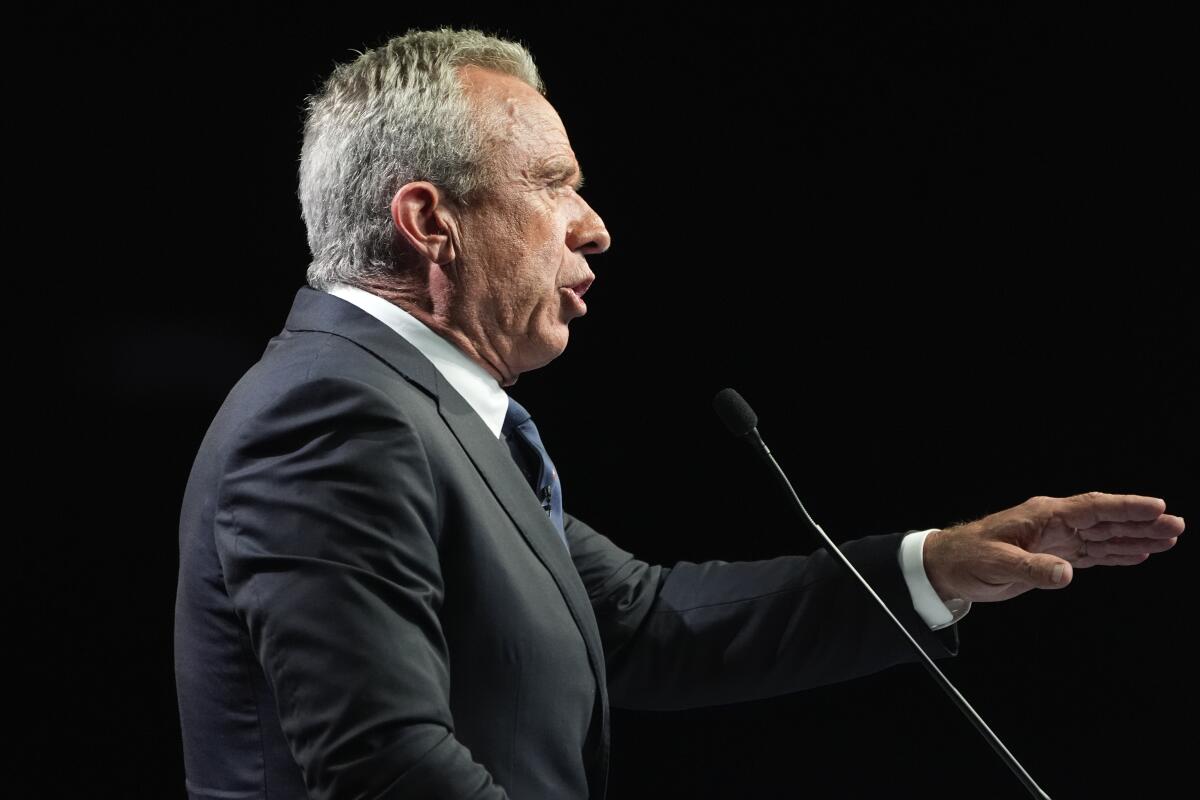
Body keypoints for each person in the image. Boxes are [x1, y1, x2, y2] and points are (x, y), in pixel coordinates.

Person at [173, 27, 1184, 800]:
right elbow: (386, 766)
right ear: (432, 221)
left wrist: (941, 562)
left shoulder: (412, 414)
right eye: (553, 184)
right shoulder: (331, 418)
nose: (595, 227)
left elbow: (646, 622)